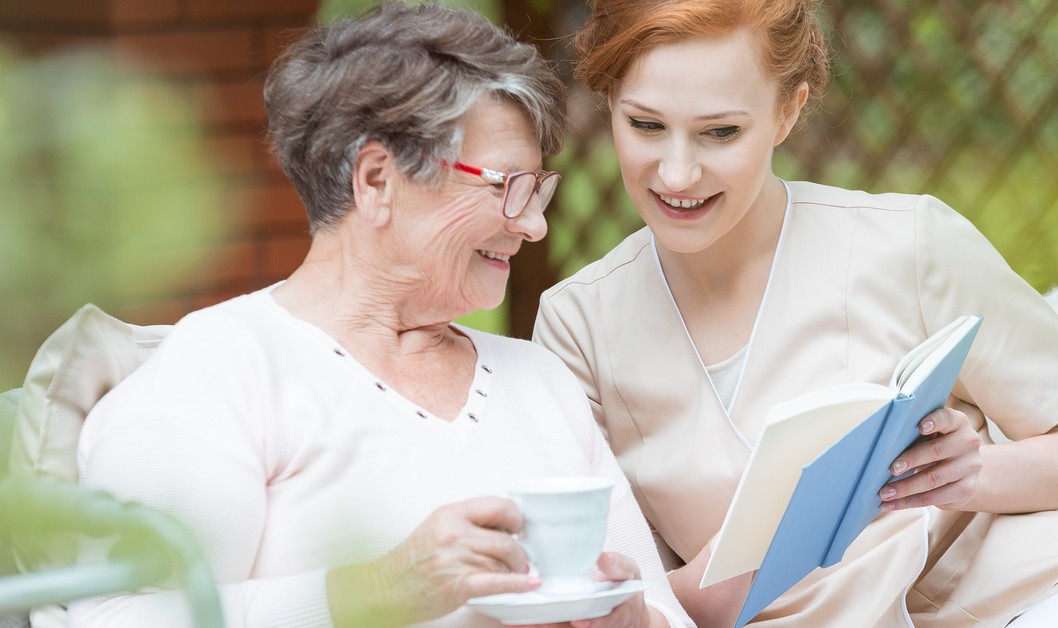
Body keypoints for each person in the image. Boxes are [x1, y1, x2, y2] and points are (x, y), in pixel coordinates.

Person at [532, 1, 1058, 626]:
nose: (677, 174)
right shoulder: (579, 325)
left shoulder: (907, 243)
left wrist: (974, 476)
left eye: (720, 132)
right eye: (645, 124)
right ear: (610, 102)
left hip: (1043, 592)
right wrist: (704, 589)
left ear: (787, 113)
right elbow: (609, 594)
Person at [69, 4, 693, 627]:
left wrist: (633, 620)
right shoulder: (223, 368)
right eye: (508, 186)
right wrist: (376, 591)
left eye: (538, 189)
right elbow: (116, 616)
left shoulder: (540, 381)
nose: (533, 224)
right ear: (376, 181)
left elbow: (663, 608)